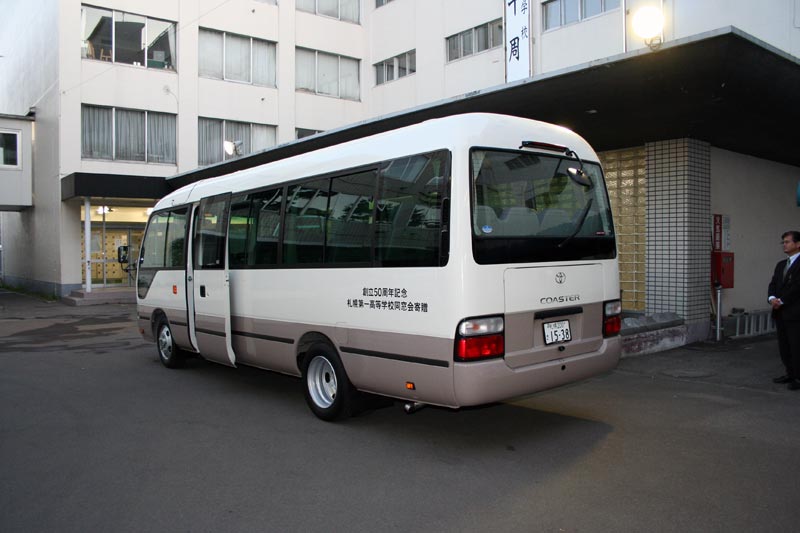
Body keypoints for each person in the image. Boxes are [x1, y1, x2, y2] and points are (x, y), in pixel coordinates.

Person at [768, 230, 800, 390]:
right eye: (783, 242)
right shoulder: (781, 264)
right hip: (780, 312)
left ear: (798, 244)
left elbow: (797, 287)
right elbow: (773, 283)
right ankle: (790, 373)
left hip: (795, 312)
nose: (784, 245)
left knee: (796, 345)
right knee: (784, 346)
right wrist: (772, 298)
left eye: (787, 242)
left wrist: (782, 301)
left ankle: (798, 377)